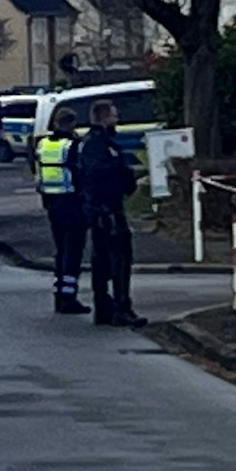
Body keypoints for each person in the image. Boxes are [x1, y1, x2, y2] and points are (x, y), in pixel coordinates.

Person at [76, 98, 145, 328]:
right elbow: (101, 175)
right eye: (114, 116)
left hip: (100, 210)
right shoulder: (100, 145)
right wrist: (125, 175)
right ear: (104, 118)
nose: (117, 120)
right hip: (107, 211)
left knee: (103, 261)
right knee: (118, 260)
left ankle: (105, 307)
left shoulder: (94, 143)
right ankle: (119, 307)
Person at [35, 105, 89, 314]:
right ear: (72, 123)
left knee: (60, 251)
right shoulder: (73, 145)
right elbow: (81, 173)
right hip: (72, 202)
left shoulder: (44, 144)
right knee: (72, 252)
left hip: (52, 203)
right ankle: (68, 296)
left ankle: (59, 294)